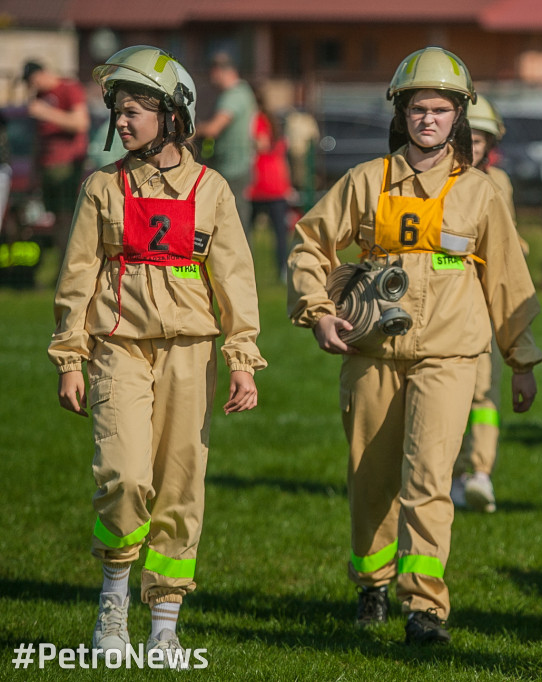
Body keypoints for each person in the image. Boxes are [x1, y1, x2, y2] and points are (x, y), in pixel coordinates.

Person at [287, 46, 542, 645]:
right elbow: (308, 247)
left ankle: (425, 606)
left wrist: (523, 359)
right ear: (401, 116)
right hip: (370, 356)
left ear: (460, 118)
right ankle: (371, 581)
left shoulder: (482, 194)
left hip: (450, 357)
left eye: (440, 110)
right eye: (417, 109)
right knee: (371, 480)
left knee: (428, 478)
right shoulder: (364, 181)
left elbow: (508, 281)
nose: (428, 120)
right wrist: (319, 312)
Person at [48, 46, 265, 666]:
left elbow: (236, 279)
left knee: (180, 484)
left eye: (136, 110)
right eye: (118, 109)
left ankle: (164, 620)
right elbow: (78, 275)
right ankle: (114, 596)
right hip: (116, 348)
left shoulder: (211, 189)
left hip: (191, 354)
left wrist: (242, 357)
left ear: (173, 116)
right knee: (123, 476)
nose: (121, 121)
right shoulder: (100, 186)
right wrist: (69, 357)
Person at [451, 94, 518, 513]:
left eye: (481, 140)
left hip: (485, 302)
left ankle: (478, 471)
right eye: (468, 138)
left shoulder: (500, 184)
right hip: (446, 301)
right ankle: (451, 473)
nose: (473, 147)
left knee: (484, 392)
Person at [23, 60, 90, 266]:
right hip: (47, 165)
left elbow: (81, 122)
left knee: (67, 218)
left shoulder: (69, 88)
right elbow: (38, 137)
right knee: (56, 219)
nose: (32, 86)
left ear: (42, 73)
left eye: (33, 81)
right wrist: (34, 171)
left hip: (67, 164)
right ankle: (63, 265)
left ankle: (70, 266)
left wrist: (46, 112)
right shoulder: (40, 97)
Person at [195, 52, 256, 234]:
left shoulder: (233, 95)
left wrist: (190, 131)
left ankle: (241, 262)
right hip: (237, 167)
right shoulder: (243, 91)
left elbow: (214, 128)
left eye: (212, 72)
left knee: (233, 224)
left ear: (220, 71)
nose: (211, 77)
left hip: (233, 169)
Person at [249, 91, 294, 279]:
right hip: (277, 184)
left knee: (244, 230)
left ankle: (244, 269)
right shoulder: (273, 121)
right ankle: (283, 269)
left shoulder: (256, 119)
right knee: (280, 233)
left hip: (260, 184)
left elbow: (261, 144)